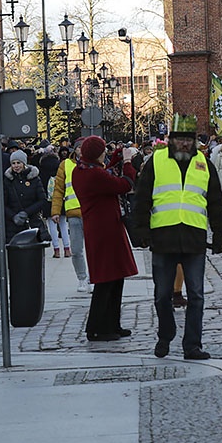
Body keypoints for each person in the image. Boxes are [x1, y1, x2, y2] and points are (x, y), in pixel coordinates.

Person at [132, 113, 222, 360]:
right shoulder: (157, 161)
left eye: (188, 139)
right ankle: (166, 333)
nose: (184, 144)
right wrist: (140, 231)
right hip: (163, 238)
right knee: (162, 294)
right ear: (171, 140)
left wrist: (219, 234)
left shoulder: (205, 163)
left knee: (196, 295)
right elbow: (142, 198)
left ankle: (192, 345)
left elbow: (215, 202)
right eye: (180, 139)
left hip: (194, 238)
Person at [70, 136, 138, 342]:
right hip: (105, 230)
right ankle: (98, 327)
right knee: (106, 280)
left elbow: (103, 172)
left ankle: (112, 324)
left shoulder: (81, 169)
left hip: (103, 228)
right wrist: (127, 163)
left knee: (115, 278)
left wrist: (114, 158)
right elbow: (124, 184)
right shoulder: (93, 174)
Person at [50, 139, 92, 293]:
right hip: (73, 212)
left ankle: (92, 278)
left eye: (84, 147)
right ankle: (82, 278)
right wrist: (55, 211)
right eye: (79, 148)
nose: (81, 150)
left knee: (93, 248)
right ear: (75, 150)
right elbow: (58, 189)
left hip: (91, 212)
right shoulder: (65, 164)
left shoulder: (94, 163)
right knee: (76, 249)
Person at [3, 149, 48, 243]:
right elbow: (3, 203)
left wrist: (26, 212)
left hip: (32, 222)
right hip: (12, 225)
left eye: (18, 163)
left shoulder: (34, 179)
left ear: (24, 163)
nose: (16, 166)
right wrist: (13, 216)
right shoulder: (7, 180)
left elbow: (42, 200)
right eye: (13, 163)